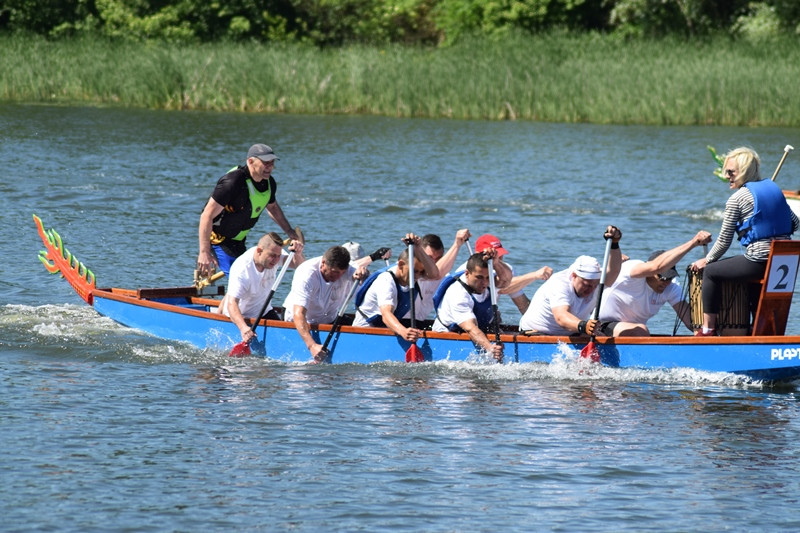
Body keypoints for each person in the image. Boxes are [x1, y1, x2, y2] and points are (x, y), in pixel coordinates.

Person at [690, 147, 799, 336]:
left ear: (745, 171)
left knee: (711, 272)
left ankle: (707, 330)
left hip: (759, 261)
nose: (727, 177)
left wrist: (707, 260)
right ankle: (759, 330)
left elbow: (724, 241)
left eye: (731, 172)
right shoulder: (776, 193)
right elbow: (795, 224)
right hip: (782, 261)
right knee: (746, 275)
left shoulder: (737, 198)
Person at [197, 143, 302, 277]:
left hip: (238, 241)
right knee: (241, 278)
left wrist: (290, 231)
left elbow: (273, 208)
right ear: (250, 161)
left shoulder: (269, 183)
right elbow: (206, 215)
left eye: (272, 163)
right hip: (218, 240)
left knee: (255, 277)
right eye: (265, 163)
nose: (270, 167)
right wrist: (204, 252)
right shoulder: (232, 182)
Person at [598, 231, 712, 336]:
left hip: (632, 330)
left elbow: (691, 322)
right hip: (602, 325)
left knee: (640, 330)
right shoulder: (632, 270)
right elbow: (656, 266)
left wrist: (707, 330)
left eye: (669, 278)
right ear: (649, 272)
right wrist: (694, 242)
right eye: (661, 277)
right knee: (640, 331)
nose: (665, 282)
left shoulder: (672, 286)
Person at [519, 226, 623, 336]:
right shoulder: (559, 284)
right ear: (574, 275)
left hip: (572, 331)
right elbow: (561, 317)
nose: (591, 289)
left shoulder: (596, 280)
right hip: (537, 332)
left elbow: (614, 271)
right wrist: (583, 326)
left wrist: (614, 244)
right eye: (586, 285)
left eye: (594, 285)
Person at [216, 233, 305, 344]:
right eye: (272, 256)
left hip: (264, 311)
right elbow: (232, 304)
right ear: (259, 251)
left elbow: (299, 266)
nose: (276, 260)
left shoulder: (274, 253)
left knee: (287, 341)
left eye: (278, 256)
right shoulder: (242, 269)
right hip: (240, 316)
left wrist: (297, 253)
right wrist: (243, 328)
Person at [283, 245, 368, 362]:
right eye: (335, 272)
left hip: (329, 319)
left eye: (342, 273)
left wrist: (364, 274)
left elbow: (367, 278)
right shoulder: (307, 274)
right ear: (323, 263)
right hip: (300, 322)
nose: (338, 276)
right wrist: (312, 346)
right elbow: (299, 314)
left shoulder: (349, 269)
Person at [352, 234, 439, 341]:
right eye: (415, 271)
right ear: (401, 265)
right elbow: (386, 314)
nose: (417, 276)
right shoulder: (386, 280)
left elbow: (434, 274)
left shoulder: (411, 275)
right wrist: (404, 331)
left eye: (421, 272)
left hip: (385, 330)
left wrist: (419, 248)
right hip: (365, 333)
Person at [432, 250, 511, 361]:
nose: (484, 282)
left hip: (475, 329)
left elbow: (506, 280)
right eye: (479, 277)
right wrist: (490, 348)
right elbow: (471, 328)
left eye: (487, 277)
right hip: (449, 333)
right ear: (467, 273)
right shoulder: (458, 294)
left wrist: (496, 262)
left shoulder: (488, 280)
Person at [463, 234, 553, 315]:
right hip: (463, 317)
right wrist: (534, 275)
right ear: (478, 254)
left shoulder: (506, 269)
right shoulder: (471, 270)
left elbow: (523, 305)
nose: (499, 258)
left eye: (500, 254)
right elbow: (504, 287)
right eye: (494, 255)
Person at [414, 229, 472, 320]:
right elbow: (435, 274)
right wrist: (457, 245)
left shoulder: (444, 277)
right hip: (395, 323)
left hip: (418, 323)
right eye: (429, 258)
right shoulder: (414, 272)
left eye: (438, 258)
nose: (433, 263)